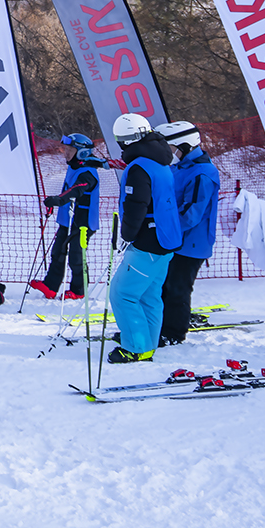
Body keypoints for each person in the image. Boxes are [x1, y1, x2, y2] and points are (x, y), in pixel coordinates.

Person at [106, 113, 180, 363]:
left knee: (122, 293)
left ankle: (136, 347)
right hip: (165, 239)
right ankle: (146, 342)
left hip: (148, 241)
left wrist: (127, 234)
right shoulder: (160, 161)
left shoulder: (139, 167)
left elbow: (136, 204)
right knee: (148, 294)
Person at [158, 122, 219, 344]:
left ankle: (173, 332)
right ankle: (157, 328)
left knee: (177, 287)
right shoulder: (180, 168)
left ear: (185, 146)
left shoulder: (203, 173)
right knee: (162, 285)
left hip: (191, 243)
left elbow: (192, 213)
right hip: (174, 239)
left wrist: (163, 229)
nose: (168, 154)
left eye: (171, 148)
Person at [32, 134, 104, 300]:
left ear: (82, 152)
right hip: (67, 218)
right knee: (58, 251)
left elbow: (77, 189)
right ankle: (50, 286)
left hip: (83, 221)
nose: (66, 153)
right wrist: (58, 200)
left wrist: (60, 199)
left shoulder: (88, 173)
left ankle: (79, 291)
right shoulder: (74, 167)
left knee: (76, 256)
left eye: (70, 150)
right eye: (66, 150)